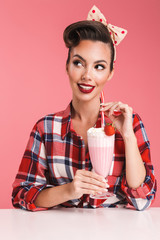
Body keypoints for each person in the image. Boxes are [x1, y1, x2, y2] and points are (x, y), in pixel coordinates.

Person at [12, 5, 156, 211]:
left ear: (110, 73)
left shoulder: (129, 122)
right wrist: (70, 190)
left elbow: (144, 195)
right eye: (79, 63)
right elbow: (20, 195)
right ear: (67, 66)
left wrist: (128, 136)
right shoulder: (46, 128)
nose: (87, 75)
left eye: (99, 66)